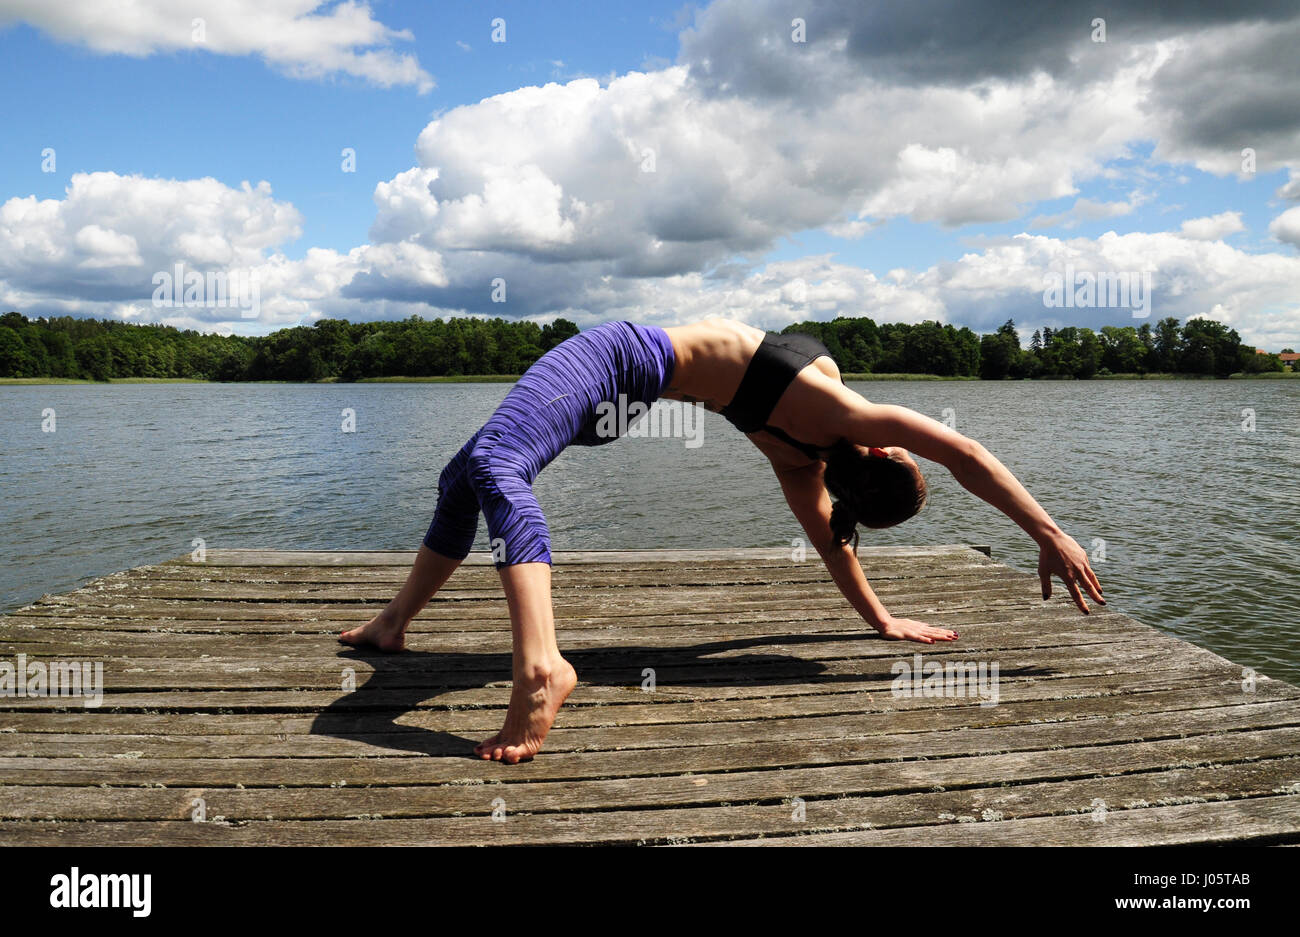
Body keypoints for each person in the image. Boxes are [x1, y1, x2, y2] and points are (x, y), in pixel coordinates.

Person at [340, 317, 1104, 763]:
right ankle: (395, 623)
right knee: (464, 472)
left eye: (908, 455)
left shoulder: (845, 420)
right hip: (634, 388)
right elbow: (839, 548)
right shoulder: (802, 461)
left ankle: (542, 668)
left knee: (493, 463)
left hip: (621, 359)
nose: (909, 443)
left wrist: (1051, 530)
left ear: (883, 457)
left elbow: (964, 454)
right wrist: (882, 622)